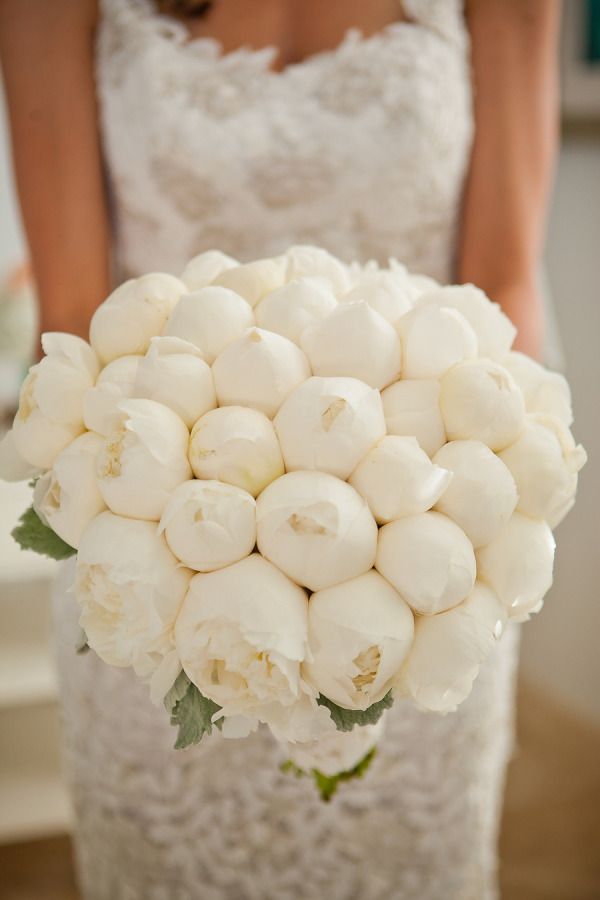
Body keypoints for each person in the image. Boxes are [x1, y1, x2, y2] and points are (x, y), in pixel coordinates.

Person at [0, 1, 560, 898]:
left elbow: (503, 282)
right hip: (156, 543)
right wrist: (189, 592)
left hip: (420, 558)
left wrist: (449, 535)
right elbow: (75, 318)